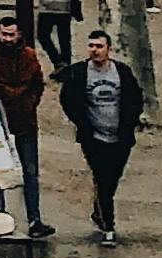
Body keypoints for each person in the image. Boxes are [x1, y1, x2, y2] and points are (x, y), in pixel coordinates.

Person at [56, 27, 145, 242]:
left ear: (109, 50)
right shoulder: (79, 73)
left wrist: (131, 122)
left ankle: (100, 209)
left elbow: (135, 98)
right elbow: (67, 99)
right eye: (91, 46)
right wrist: (82, 123)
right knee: (103, 177)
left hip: (121, 137)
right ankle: (108, 225)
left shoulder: (121, 72)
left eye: (99, 46)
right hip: (94, 138)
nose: (94, 50)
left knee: (112, 178)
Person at [0, 18, 51, 241]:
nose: (8, 39)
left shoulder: (28, 56)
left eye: (11, 35)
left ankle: (35, 218)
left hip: (25, 121)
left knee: (30, 171)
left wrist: (29, 104)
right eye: (4, 34)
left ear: (18, 35)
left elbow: (38, 83)